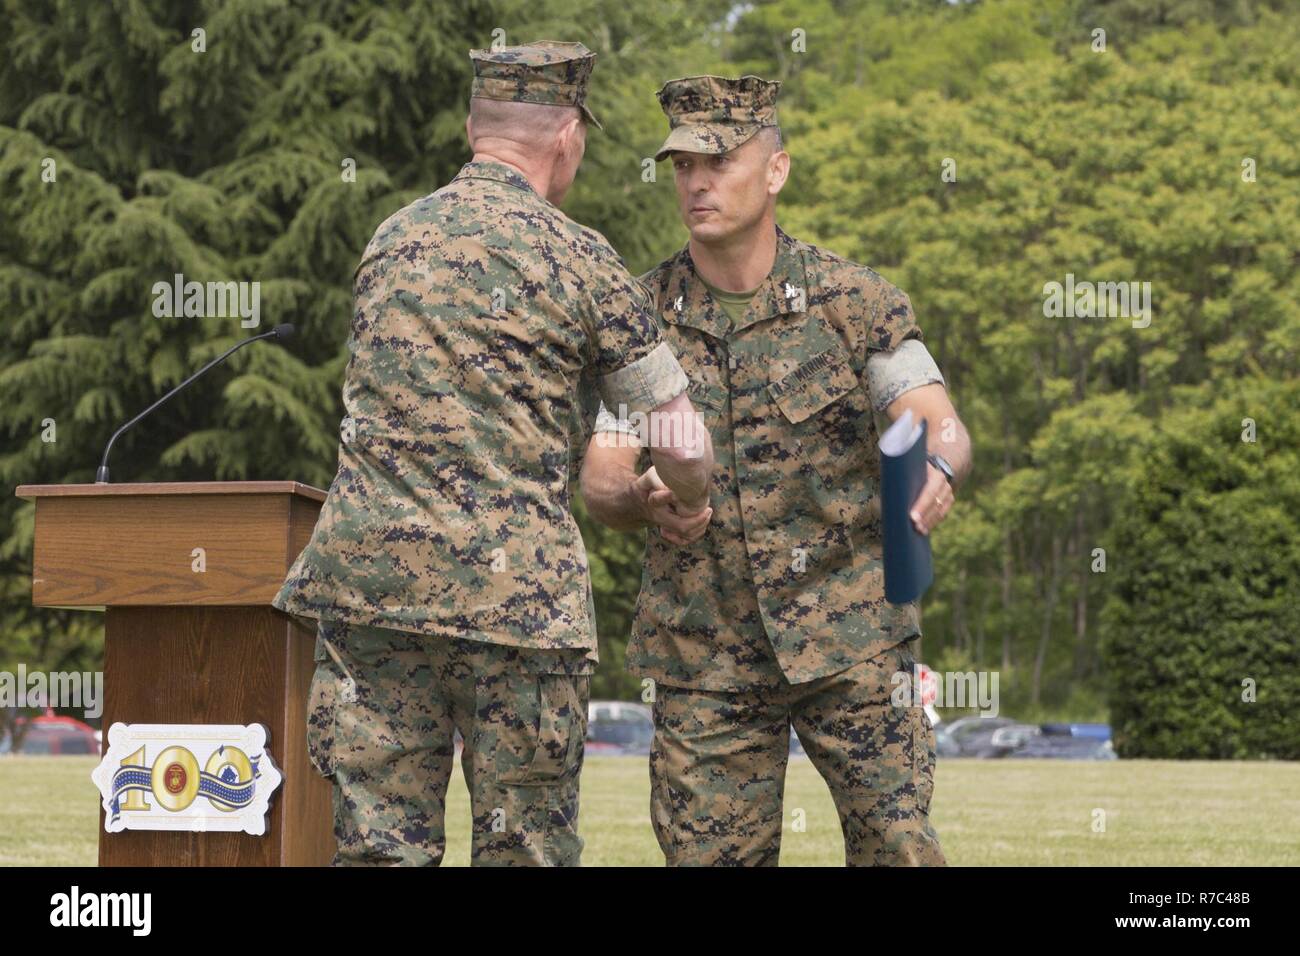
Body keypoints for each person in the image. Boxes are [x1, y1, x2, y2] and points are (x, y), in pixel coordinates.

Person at [273, 42, 713, 866]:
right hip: (516, 610)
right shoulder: (583, 259)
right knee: (525, 853)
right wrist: (687, 496)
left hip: (371, 597)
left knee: (376, 852)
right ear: (568, 138)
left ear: (474, 128)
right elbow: (681, 436)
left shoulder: (391, 241)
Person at [580, 74, 971, 866]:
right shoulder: (639, 319)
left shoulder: (852, 302)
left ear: (776, 169)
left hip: (852, 637)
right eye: (683, 165)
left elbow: (937, 420)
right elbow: (602, 477)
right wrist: (641, 498)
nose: (697, 182)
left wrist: (941, 466)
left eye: (719, 161)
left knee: (900, 849)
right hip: (704, 654)